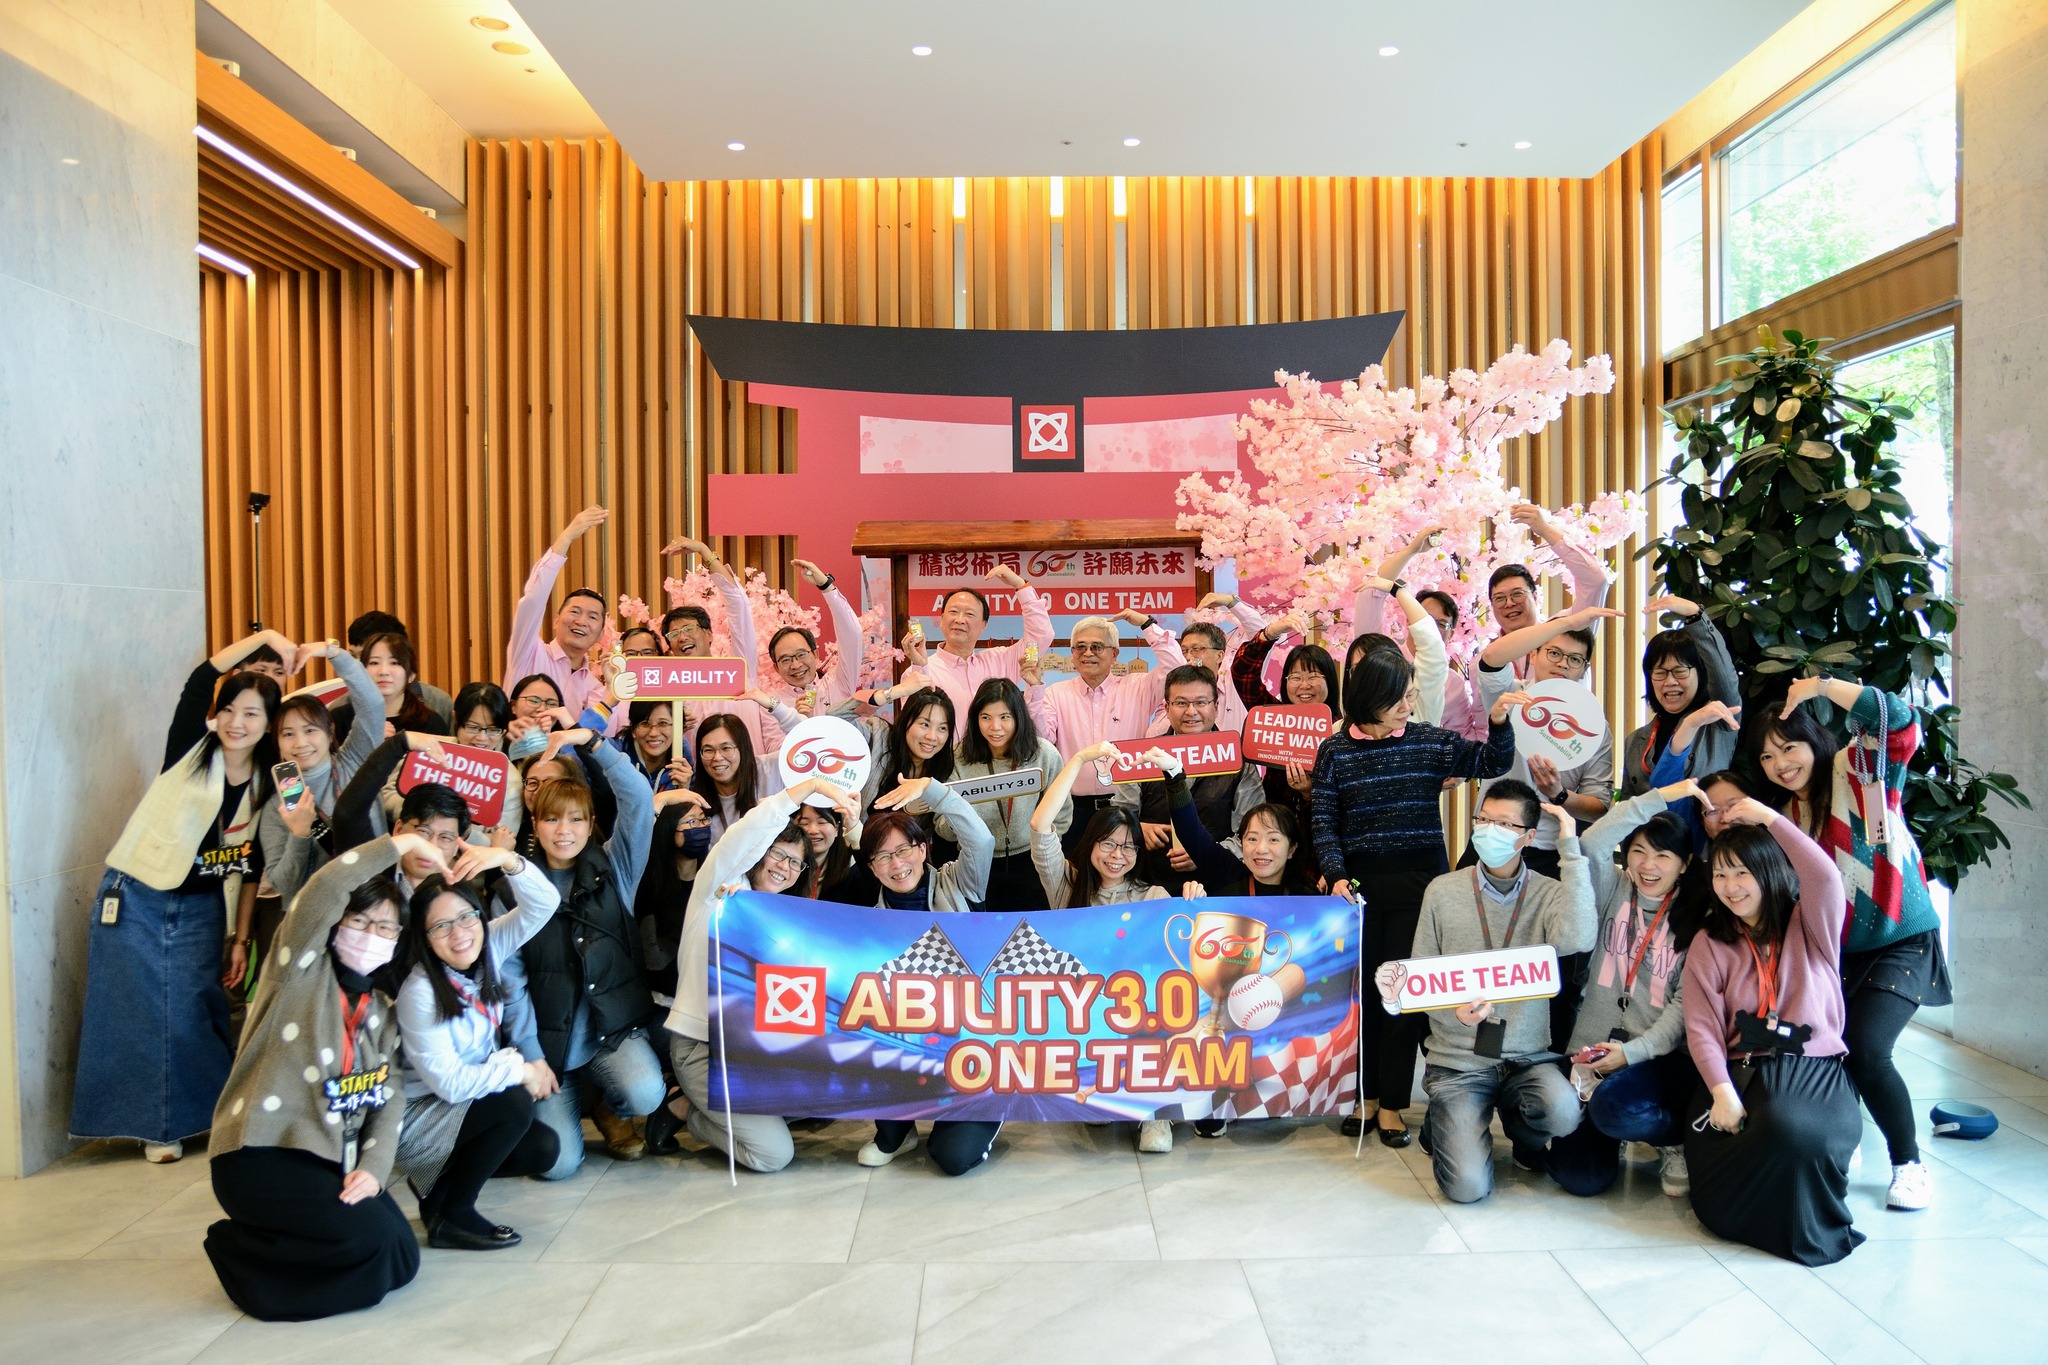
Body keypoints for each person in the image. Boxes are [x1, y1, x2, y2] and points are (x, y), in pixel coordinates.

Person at [203, 836, 443, 1319]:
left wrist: (373, 1170)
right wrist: (402, 843)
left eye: (386, 927)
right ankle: (243, 1259)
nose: (372, 934)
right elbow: (324, 888)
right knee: (376, 1249)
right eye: (360, 921)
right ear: (335, 925)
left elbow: (390, 1101)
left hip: (329, 1163)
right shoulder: (297, 974)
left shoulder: (381, 1011)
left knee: (401, 1255)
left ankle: (272, 1244)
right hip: (261, 1154)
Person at [73, 630, 288, 1163]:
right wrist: (265, 638)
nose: (237, 722)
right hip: (138, 896)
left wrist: (241, 938)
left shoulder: (273, 778)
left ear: (269, 724)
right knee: (136, 1012)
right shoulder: (190, 749)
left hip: (202, 907)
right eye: (229, 710)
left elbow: (254, 864)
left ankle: (205, 1118)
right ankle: (155, 1130)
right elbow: (201, 679)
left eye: (252, 714)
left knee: (195, 1010)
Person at [1312, 645, 1523, 1147]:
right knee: (1361, 996)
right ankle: (1363, 1097)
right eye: (1399, 698)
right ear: (1370, 699)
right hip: (1359, 891)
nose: (1409, 706)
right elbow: (1323, 821)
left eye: (1411, 695)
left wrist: (1498, 721)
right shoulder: (1334, 750)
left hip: (1420, 888)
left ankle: (1391, 1103)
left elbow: (1494, 760)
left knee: (1400, 996)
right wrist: (1336, 874)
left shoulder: (1430, 741)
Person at [1759, 674, 1947, 1212]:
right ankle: (1845, 1134)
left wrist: (1819, 685)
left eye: (1789, 748)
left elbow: (1896, 720)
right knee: (1827, 1048)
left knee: (1867, 1049)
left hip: (1902, 938)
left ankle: (1909, 1164)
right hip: (1837, 956)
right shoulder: (1785, 818)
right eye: (1768, 757)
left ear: (1814, 741)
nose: (1780, 764)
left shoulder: (1855, 769)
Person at [1375, 781, 1597, 1203]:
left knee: (1563, 1111)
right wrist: (1452, 1013)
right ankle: (1445, 1124)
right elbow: (1421, 976)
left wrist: (1571, 849)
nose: (1489, 831)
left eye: (1504, 824)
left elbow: (1580, 938)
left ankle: (1523, 1136)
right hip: (1459, 1061)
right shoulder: (1443, 890)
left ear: (1528, 837)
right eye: (1483, 820)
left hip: (1526, 1058)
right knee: (1468, 1188)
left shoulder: (1549, 893)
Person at [1681, 793, 1862, 1266]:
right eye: (1720, 874)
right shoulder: (1710, 941)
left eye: (1742, 872)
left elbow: (1825, 876)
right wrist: (1721, 1091)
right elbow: (1701, 1028)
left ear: (1768, 871)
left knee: (1793, 1127)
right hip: (1744, 1072)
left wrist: (1769, 819)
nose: (1730, 886)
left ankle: (1807, 1218)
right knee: (1775, 1127)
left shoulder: (1810, 923)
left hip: (1815, 1066)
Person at [650, 777, 861, 1171]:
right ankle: (689, 1111)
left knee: (832, 1088)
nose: (785, 867)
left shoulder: (784, 922)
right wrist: (811, 786)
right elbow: (745, 834)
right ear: (760, 851)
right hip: (704, 1049)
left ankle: (720, 1109)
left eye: (796, 862)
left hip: (755, 1052)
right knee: (773, 1155)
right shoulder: (719, 891)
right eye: (778, 854)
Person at [1540, 781, 1708, 1200]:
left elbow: (1683, 1007)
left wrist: (1631, 1054)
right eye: (1639, 851)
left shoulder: (1698, 915)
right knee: (1579, 1179)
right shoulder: (1612, 888)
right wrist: (1662, 796)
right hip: (1592, 1052)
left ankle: (1674, 1138)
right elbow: (1593, 842)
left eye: (1663, 856)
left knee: (1615, 1107)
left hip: (1658, 1057)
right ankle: (1608, 1126)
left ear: (1685, 864)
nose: (1648, 865)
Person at [514, 728, 665, 1175]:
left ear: (590, 821)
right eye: (551, 819)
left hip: (609, 1032)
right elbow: (509, 983)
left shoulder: (615, 866)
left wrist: (594, 742)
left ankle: (608, 1105)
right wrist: (532, 1055)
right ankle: (570, 1097)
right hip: (549, 1044)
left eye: (576, 819)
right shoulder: (515, 885)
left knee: (645, 1093)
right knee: (557, 1166)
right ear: (535, 824)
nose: (564, 831)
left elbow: (639, 800)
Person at [394, 852, 563, 1250]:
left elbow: (545, 903)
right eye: (441, 926)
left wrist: (507, 859)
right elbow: (450, 1085)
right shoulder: (420, 992)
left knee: (541, 1149)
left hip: (464, 1102)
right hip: (418, 1115)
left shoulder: (488, 944)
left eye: (466, 917)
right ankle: (455, 1215)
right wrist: (520, 1068)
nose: (459, 934)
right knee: (513, 1104)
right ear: (424, 936)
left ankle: (438, 1195)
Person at [1473, 601, 1621, 1050]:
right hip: (1494, 846)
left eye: (1574, 659)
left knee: (1558, 970)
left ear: (1584, 670)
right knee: (1478, 958)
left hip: (1553, 857)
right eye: (1553, 652)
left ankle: (1550, 1063)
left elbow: (1599, 805)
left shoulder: (1593, 726)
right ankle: (1474, 1056)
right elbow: (1491, 658)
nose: (1562, 664)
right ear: (1534, 654)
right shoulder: (1511, 695)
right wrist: (1568, 621)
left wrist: (1559, 795)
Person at [853, 777, 1001, 1173]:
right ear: (871, 867)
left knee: (953, 1157)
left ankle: (991, 1108)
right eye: (883, 857)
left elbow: (981, 840)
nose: (896, 864)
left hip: (972, 1046)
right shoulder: (868, 912)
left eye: (903, 850)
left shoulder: (959, 883)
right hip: (908, 1046)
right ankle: (896, 1130)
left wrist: (934, 791)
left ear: (923, 849)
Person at [1032, 744, 1175, 1151]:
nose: (1117, 855)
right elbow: (1041, 827)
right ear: (1091, 844)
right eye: (1108, 844)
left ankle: (1154, 1113)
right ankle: (1098, 1089)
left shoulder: (1153, 896)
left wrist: (1193, 902)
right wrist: (1078, 761)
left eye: (1128, 846)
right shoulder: (1066, 885)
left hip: (1140, 1014)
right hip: (1084, 1013)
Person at [245, 639, 387, 969]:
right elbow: (284, 884)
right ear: (277, 742)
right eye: (288, 734)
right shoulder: (277, 802)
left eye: (310, 730)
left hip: (373, 910)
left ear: (329, 731)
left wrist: (332, 653)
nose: (301, 743)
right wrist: (299, 833)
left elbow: (372, 705)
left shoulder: (354, 761)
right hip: (312, 928)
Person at [1027, 611, 1185, 849]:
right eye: (1080, 647)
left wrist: (1147, 624)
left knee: (1123, 870)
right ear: (1072, 653)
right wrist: (1034, 688)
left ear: (1114, 654)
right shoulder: (1055, 694)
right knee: (1072, 871)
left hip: (1128, 808)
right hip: (1073, 811)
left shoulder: (1139, 686)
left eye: (1097, 646)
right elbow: (1043, 740)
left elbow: (1176, 669)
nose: (1087, 653)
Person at [1111, 665, 1265, 897]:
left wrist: (1207, 851)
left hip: (1218, 887)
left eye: (1201, 702)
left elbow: (1251, 832)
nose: (1191, 711)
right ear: (1167, 708)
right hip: (1149, 886)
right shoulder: (1144, 754)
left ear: (1216, 706)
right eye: (1181, 703)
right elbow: (1118, 818)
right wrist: (1138, 829)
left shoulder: (1237, 759)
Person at [661, 536, 785, 754]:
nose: (682, 638)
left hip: (751, 774)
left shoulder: (737, 669)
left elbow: (738, 603)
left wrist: (704, 551)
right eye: (674, 634)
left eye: (689, 629)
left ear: (708, 634)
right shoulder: (671, 693)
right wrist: (674, 729)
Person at [953, 677, 1068, 910]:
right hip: (977, 863)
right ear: (975, 719)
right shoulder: (959, 757)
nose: (995, 727)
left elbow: (1062, 813)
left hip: (1032, 861)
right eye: (986, 717)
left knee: (1033, 927)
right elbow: (943, 827)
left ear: (1019, 717)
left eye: (1005, 717)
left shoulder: (1044, 754)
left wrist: (1045, 850)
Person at [504, 504, 618, 724]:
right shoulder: (529, 651)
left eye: (592, 617)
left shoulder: (594, 687)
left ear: (600, 634)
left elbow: (595, 735)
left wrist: (612, 691)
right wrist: (566, 538)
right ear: (556, 620)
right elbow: (533, 600)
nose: (581, 621)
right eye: (574, 611)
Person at [1353, 531, 1475, 733]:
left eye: (1441, 623)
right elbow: (1372, 590)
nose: (1431, 627)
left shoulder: (1449, 681)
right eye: (1425, 618)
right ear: (1410, 619)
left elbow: (1461, 736)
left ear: (1451, 634)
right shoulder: (1383, 655)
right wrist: (1411, 550)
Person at [1620, 595, 1741, 798]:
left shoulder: (1717, 721)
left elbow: (1724, 676)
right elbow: (1626, 805)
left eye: (1680, 671)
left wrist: (1695, 615)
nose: (1670, 681)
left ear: (1700, 673)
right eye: (1660, 673)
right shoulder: (1634, 741)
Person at [907, 566, 1054, 719]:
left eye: (969, 614)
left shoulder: (1000, 661)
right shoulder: (920, 671)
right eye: (953, 612)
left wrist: (1020, 586)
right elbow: (915, 722)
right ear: (942, 619)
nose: (960, 620)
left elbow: (1041, 635)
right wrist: (920, 668)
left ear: (983, 625)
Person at [1485, 502, 1613, 670]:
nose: (1509, 603)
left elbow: (1594, 581)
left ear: (1535, 596)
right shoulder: (1484, 661)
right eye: (1500, 598)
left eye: (1517, 594)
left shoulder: (1567, 628)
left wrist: (1545, 529)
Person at [767, 557, 866, 708]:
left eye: (801, 655)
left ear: (815, 655)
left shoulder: (838, 683)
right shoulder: (772, 704)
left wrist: (826, 586)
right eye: (786, 659)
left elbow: (852, 634)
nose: (796, 665)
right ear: (776, 668)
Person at [1174, 591, 1270, 735]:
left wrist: (1230, 601)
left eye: (1196, 649)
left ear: (1219, 656)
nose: (1188, 656)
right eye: (1184, 651)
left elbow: (1261, 633)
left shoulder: (1237, 683)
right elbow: (1154, 734)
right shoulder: (1176, 692)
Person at [332, 632, 448, 747]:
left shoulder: (431, 723)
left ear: (411, 675)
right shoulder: (339, 718)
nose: (383, 671)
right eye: (374, 663)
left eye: (394, 663)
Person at [345, 611, 455, 726]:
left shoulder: (438, 702)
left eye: (393, 662)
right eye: (353, 656)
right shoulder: (341, 708)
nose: (358, 665)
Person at [689, 712, 784, 838]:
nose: (717, 757)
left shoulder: (771, 768)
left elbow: (809, 744)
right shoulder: (699, 801)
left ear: (742, 748)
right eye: (708, 750)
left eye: (726, 748)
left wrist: (775, 706)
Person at [615, 700, 689, 792]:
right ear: (633, 730)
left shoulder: (683, 759)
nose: (654, 733)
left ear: (678, 728)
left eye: (663, 723)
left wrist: (684, 789)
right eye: (645, 724)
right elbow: (595, 738)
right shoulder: (615, 753)